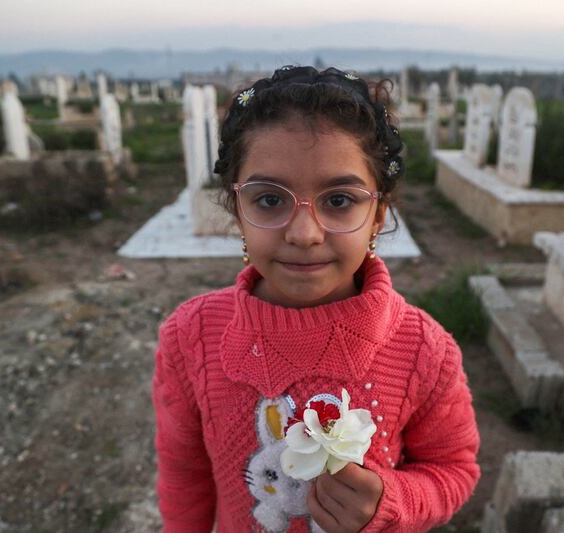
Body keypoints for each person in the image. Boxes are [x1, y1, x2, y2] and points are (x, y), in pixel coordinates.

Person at [152, 66, 480, 533]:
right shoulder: (191, 337)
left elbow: (453, 470)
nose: (304, 234)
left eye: (340, 200)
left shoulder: (425, 351)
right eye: (269, 200)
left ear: (378, 213)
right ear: (236, 208)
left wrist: (392, 500)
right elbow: (185, 476)